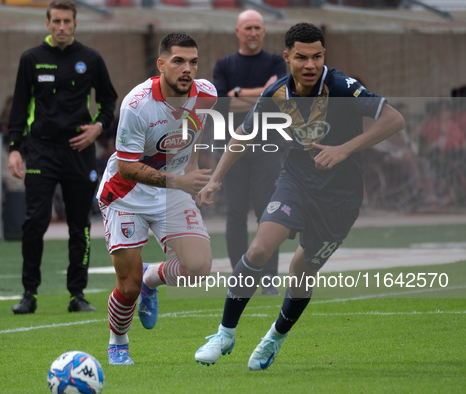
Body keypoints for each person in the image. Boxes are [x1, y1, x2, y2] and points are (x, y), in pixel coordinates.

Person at [194, 23, 405, 370]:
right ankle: (224, 334)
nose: (311, 64)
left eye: (318, 56)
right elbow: (243, 136)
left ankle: (274, 337)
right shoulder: (276, 93)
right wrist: (215, 179)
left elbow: (393, 119)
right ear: (287, 57)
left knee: (300, 271)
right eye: (303, 57)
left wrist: (344, 149)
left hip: (341, 198)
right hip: (296, 182)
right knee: (260, 248)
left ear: (324, 56)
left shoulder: (340, 86)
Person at [97, 32, 217, 365]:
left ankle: (153, 277)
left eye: (193, 62)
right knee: (128, 286)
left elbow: (195, 130)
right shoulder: (137, 105)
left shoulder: (206, 94)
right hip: (125, 195)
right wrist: (180, 180)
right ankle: (118, 341)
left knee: (198, 268)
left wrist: (194, 176)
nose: (187, 69)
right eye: (178, 61)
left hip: (173, 190)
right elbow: (127, 166)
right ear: (161, 64)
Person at [8, 0, 118, 314]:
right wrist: (15, 148)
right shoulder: (31, 59)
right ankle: (29, 293)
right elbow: (18, 107)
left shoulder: (91, 59)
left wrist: (98, 128)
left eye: (67, 21)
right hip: (41, 150)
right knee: (34, 221)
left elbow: (109, 101)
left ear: (75, 23)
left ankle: (77, 295)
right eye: (55, 21)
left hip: (79, 150)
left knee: (79, 223)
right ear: (47, 24)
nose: (61, 27)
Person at [212, 9, 287, 295]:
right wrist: (262, 93)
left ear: (264, 31)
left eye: (258, 27)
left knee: (268, 214)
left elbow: (279, 99)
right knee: (235, 214)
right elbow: (222, 104)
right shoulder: (224, 65)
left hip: (268, 148)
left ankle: (268, 278)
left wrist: (237, 94)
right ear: (238, 32)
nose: (253, 32)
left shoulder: (276, 61)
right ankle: (240, 277)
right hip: (232, 148)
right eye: (248, 28)